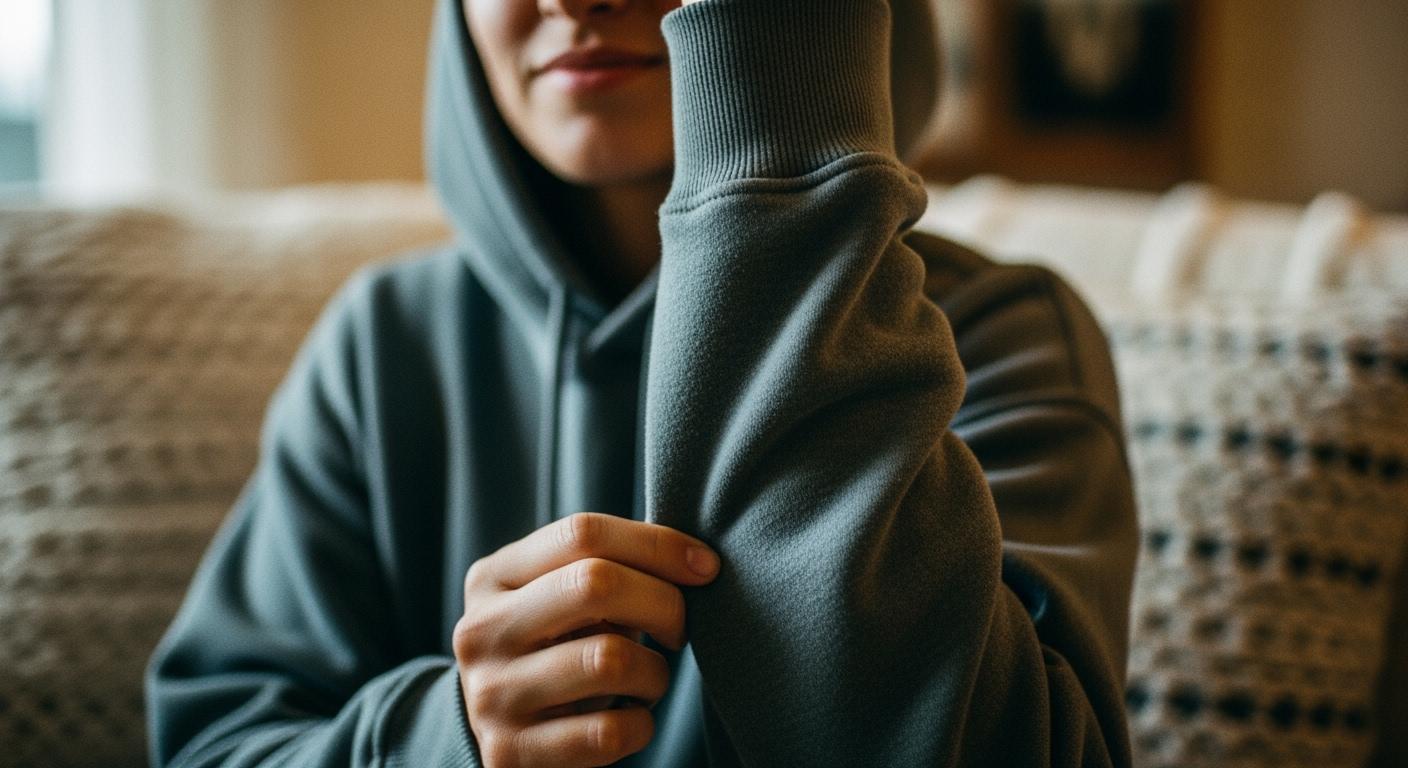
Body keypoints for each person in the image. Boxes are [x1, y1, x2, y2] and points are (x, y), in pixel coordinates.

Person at [145, 0, 1140, 765]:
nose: (575, 0)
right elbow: (214, 745)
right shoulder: (382, 346)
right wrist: (449, 736)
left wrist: (783, 177)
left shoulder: (999, 335)